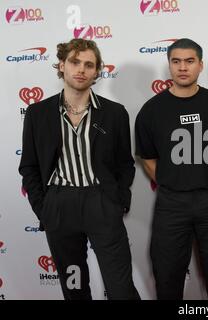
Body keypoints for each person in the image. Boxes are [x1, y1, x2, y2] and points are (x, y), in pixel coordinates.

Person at [19, 39, 139, 299]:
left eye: (89, 64)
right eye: (75, 62)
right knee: (75, 288)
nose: (81, 69)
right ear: (62, 65)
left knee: (121, 288)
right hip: (61, 209)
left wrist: (117, 202)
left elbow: (124, 164)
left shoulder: (115, 113)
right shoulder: (37, 113)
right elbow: (28, 166)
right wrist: (45, 208)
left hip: (102, 205)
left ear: (97, 72)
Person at [135, 38, 208, 300]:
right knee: (167, 275)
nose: (182, 67)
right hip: (171, 202)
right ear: (169, 66)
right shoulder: (151, 110)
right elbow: (148, 158)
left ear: (200, 65)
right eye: (176, 61)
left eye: (189, 61)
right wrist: (173, 181)